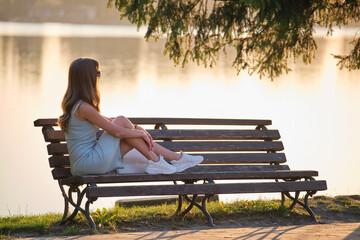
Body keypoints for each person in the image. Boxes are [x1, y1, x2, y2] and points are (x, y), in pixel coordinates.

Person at [58, 58, 203, 175]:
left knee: (129, 135)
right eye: (97, 73)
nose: (99, 77)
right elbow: (117, 131)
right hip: (89, 162)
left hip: (87, 163)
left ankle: (172, 159)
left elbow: (109, 123)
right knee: (121, 120)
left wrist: (135, 130)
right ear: (87, 78)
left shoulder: (78, 106)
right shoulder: (84, 108)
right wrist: (140, 132)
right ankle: (164, 160)